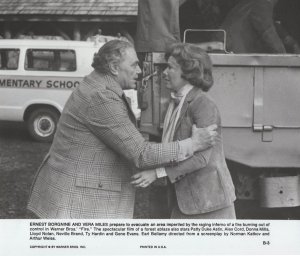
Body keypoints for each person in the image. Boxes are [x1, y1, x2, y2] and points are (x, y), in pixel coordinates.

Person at [27, 40, 217, 219]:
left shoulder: (98, 86)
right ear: (114, 67)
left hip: (71, 193)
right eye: (134, 65)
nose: (140, 70)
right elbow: (141, 154)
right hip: (77, 201)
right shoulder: (102, 96)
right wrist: (193, 143)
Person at [131, 43, 236, 219]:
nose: (164, 72)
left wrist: (156, 173)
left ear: (188, 72)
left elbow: (202, 159)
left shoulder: (202, 104)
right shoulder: (176, 102)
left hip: (208, 204)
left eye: (170, 68)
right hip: (186, 201)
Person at [220, 0, 286, 53]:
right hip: (233, 49)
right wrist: (283, 54)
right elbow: (265, 27)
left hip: (227, 46)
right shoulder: (263, 2)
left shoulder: (250, 3)